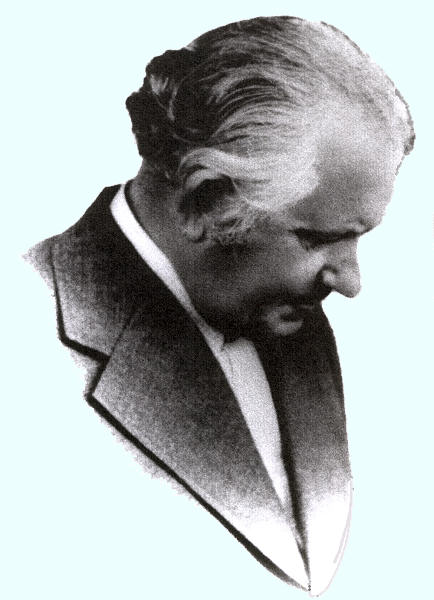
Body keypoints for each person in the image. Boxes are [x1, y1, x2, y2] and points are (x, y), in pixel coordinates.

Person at [25, 16, 414, 597]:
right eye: (316, 238)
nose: (351, 283)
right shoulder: (23, 336)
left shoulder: (296, 324)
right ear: (203, 200)